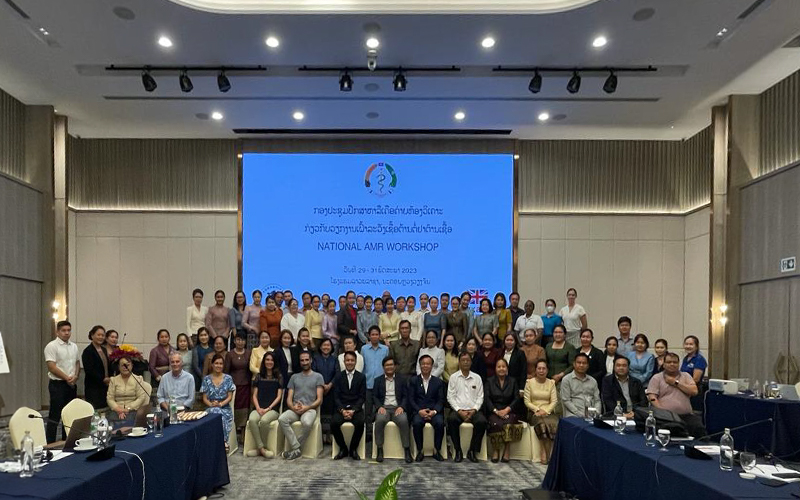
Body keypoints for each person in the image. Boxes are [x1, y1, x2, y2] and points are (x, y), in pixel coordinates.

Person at [278, 351, 324, 460]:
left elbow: (319, 400)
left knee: (307, 423)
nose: (304, 362)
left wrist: (306, 408)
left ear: (311, 360)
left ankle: (295, 449)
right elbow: (289, 398)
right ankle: (296, 448)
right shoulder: (294, 377)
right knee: (281, 419)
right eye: (302, 360)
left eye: (307, 360)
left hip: (310, 409)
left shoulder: (318, 377)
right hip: (295, 409)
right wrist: (293, 407)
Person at [646, 352, 705, 437]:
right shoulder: (657, 378)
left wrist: (676, 383)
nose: (672, 364)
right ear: (664, 364)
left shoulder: (686, 376)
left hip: (686, 416)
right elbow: (652, 397)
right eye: (669, 362)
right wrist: (663, 412)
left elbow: (694, 391)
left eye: (675, 362)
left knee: (699, 429)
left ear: (679, 364)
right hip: (665, 417)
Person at [447, 351, 487, 463]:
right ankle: (458, 450)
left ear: (471, 362)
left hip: (474, 410)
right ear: (459, 362)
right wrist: (459, 411)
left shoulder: (477, 378)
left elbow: (480, 397)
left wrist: (474, 410)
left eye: (468, 360)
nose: (465, 362)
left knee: (482, 422)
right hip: (458, 410)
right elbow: (450, 397)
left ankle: (472, 451)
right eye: (463, 360)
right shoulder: (454, 377)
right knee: (451, 420)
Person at [372, 356, 413, 463]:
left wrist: (402, 407)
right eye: (386, 365)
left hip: (397, 408)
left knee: (404, 420)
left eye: (391, 365)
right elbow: (374, 396)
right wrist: (379, 407)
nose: (389, 367)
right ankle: (379, 449)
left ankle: (407, 449)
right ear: (383, 367)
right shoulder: (377, 380)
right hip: (384, 408)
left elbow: (406, 396)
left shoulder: (402, 379)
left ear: (395, 366)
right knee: (379, 420)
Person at [485, 358, 524, 463]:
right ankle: (496, 450)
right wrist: (496, 411)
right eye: (499, 367)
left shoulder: (513, 381)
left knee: (508, 423)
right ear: (495, 369)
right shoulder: (489, 381)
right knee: (495, 423)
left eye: (503, 366)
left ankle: (507, 449)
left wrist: (507, 410)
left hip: (509, 410)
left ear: (507, 368)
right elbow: (487, 399)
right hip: (494, 410)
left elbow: (516, 398)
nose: (501, 369)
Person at [408, 355, 445, 462]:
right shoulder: (414, 380)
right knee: (417, 423)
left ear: (432, 366)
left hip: (434, 412)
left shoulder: (438, 382)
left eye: (428, 364)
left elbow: (441, 400)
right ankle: (420, 450)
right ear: (419, 365)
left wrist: (434, 412)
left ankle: (436, 450)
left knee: (440, 423)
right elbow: (411, 399)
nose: (425, 366)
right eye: (423, 363)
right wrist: (419, 411)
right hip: (419, 411)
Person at [331, 352, 367, 460]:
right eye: (347, 360)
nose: (350, 362)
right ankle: (343, 449)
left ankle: (353, 449)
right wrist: (342, 410)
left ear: (355, 362)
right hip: (341, 408)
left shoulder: (361, 377)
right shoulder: (338, 376)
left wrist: (353, 410)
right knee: (334, 423)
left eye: (352, 360)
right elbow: (336, 397)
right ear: (344, 361)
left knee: (360, 423)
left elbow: (362, 397)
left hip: (355, 408)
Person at [248, 351, 283, 458]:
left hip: (272, 409)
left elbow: (279, 396)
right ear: (264, 361)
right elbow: (254, 395)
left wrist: (268, 408)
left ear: (274, 362)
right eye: (267, 360)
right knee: (252, 419)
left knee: (264, 421)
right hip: (259, 407)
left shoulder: (279, 377)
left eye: (271, 360)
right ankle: (262, 449)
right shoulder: (259, 376)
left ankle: (260, 449)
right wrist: (258, 408)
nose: (269, 362)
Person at [524, 359, 558, 464]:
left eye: (544, 368)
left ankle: (552, 451)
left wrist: (546, 411)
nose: (541, 371)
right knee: (542, 423)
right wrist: (537, 409)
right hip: (534, 413)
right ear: (536, 370)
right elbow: (527, 401)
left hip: (548, 412)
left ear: (547, 370)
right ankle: (543, 450)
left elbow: (554, 401)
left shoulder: (551, 383)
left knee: (553, 423)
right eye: (539, 368)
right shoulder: (529, 382)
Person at [202, 353, 235, 451]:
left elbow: (230, 397)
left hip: (225, 408)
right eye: (216, 363)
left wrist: (220, 404)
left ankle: (223, 441)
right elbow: (205, 398)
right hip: (211, 407)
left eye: (221, 364)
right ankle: (221, 442)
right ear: (212, 365)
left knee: (219, 412)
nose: (218, 366)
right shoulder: (206, 379)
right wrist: (212, 405)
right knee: (214, 412)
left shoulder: (228, 378)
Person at [361, 326, 389, 428]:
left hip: (381, 384)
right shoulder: (364, 349)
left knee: (380, 409)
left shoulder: (385, 349)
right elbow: (362, 366)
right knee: (368, 410)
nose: (374, 336)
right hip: (368, 384)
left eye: (377, 334)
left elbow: (388, 366)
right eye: (372, 334)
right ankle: (368, 433)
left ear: (379, 336)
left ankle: (379, 431)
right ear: (369, 336)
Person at [312, 338, 337, 443]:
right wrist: (322, 386)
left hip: (332, 389)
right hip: (318, 389)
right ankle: (321, 433)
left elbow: (337, 373)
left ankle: (329, 433)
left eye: (328, 345)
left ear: (331, 347)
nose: (326, 347)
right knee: (321, 411)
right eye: (324, 345)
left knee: (331, 411)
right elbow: (313, 373)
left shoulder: (334, 359)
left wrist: (330, 385)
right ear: (320, 347)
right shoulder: (315, 358)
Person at [225, 334, 252, 433]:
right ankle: (235, 428)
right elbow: (226, 371)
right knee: (235, 406)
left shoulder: (249, 353)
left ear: (245, 342)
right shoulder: (230, 354)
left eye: (242, 340)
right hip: (234, 385)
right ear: (234, 341)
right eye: (238, 339)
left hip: (246, 384)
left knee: (245, 407)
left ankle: (244, 428)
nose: (240, 342)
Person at [560, 353, 600, 418]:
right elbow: (566, 400)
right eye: (579, 362)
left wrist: (597, 413)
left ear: (588, 365)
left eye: (584, 363)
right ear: (574, 364)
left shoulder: (593, 381)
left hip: (591, 415)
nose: (581, 365)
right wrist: (580, 414)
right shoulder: (566, 379)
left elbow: (597, 400)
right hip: (573, 415)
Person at [82, 325, 110, 410]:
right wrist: (103, 379)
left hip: (105, 386)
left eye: (103, 335)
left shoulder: (104, 349)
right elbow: (89, 370)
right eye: (98, 335)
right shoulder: (88, 351)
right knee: (95, 411)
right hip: (93, 387)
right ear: (92, 335)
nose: (101, 337)